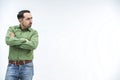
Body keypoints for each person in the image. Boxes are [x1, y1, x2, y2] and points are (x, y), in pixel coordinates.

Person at [5, 10, 39, 80]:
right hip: (12, 66)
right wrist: (24, 40)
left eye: (31, 18)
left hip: (27, 67)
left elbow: (33, 45)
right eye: (28, 19)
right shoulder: (12, 29)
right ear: (20, 20)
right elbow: (8, 41)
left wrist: (15, 41)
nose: (31, 21)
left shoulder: (34, 32)